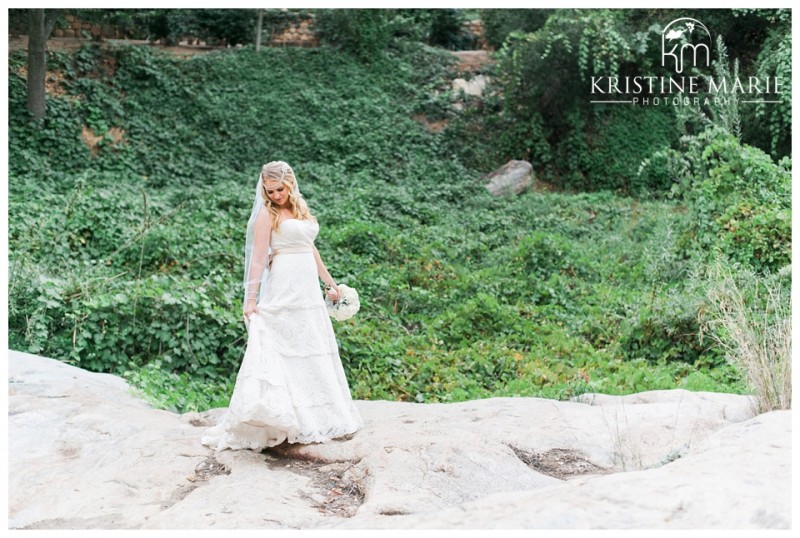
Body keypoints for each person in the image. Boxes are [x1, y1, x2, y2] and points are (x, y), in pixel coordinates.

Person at [201, 161, 364, 451]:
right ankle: (285, 416)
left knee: (310, 344)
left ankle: (318, 416)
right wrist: (250, 300)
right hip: (284, 285)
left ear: (290, 183)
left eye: (279, 189)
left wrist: (329, 282)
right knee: (283, 346)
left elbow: (309, 246)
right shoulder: (267, 214)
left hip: (307, 292)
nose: (275, 195)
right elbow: (258, 258)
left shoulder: (300, 206)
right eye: (269, 190)